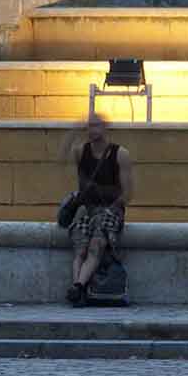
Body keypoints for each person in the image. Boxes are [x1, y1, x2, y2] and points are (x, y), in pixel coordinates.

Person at [65, 114, 132, 305]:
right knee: (80, 249)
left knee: (96, 245)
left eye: (96, 125)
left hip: (110, 210)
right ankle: (78, 288)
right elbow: (61, 157)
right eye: (88, 126)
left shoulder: (120, 154)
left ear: (105, 128)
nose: (92, 130)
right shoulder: (81, 152)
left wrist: (110, 209)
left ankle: (77, 287)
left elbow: (127, 194)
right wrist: (73, 131)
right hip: (88, 209)